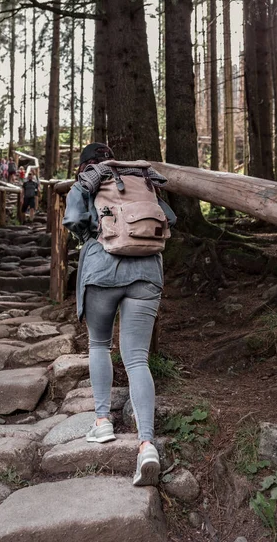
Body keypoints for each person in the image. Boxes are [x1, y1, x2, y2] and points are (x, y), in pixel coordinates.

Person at [63, 142, 176, 487]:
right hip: (147, 271)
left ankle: (102, 423)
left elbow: (73, 220)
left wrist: (95, 238)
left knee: (98, 345)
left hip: (102, 269)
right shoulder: (141, 179)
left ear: (84, 165)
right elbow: (169, 218)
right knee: (137, 358)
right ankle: (146, 445)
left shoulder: (86, 181)